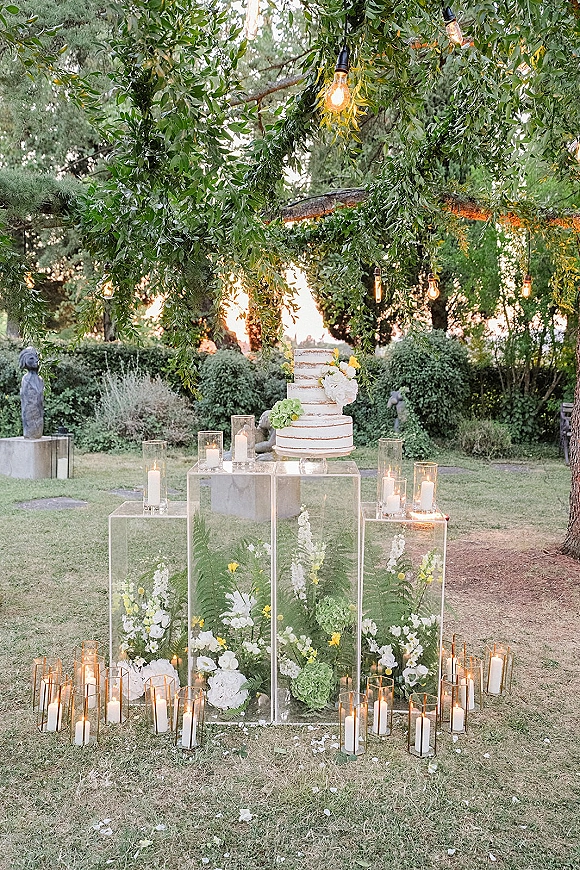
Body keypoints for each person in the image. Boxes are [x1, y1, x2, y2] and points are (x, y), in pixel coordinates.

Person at [19, 347, 44, 439]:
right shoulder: (26, 379)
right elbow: (27, 401)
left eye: (36, 357)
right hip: (30, 414)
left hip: (39, 414)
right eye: (31, 358)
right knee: (32, 431)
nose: (36, 360)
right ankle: (30, 433)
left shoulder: (39, 379)